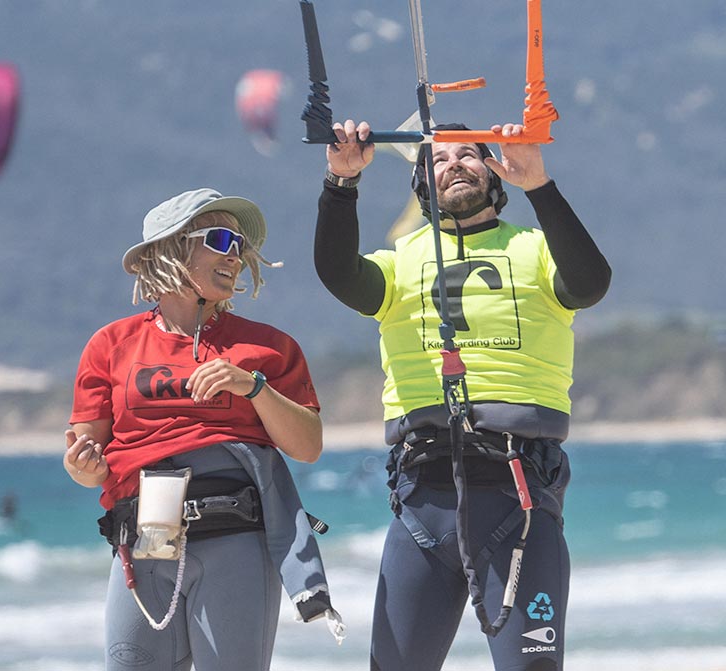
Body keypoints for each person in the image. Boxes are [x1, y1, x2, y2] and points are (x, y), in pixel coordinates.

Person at [313, 120, 611, 671]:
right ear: (422, 183)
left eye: (468, 153)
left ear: (492, 172)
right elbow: (336, 271)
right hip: (424, 500)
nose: (454, 162)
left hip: (518, 495)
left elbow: (590, 282)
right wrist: (341, 181)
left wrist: (539, 186)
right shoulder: (399, 262)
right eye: (439, 157)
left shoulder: (538, 251)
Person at [65, 188, 343, 671]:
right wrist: (82, 468)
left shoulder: (270, 349)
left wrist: (254, 388)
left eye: (239, 244)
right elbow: (92, 464)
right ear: (172, 249)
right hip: (143, 539)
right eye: (219, 238)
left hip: (235, 538)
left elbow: (308, 446)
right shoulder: (110, 344)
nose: (234, 254)